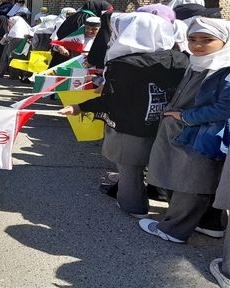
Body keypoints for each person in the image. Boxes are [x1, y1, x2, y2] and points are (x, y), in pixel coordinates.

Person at [60, 12, 188, 218]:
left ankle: (133, 206)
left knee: (130, 169)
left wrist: (80, 107)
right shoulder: (181, 59)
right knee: (167, 168)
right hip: (168, 124)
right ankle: (178, 212)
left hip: (129, 126)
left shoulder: (122, 64)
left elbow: (111, 99)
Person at [139, 17, 230, 244]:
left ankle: (173, 230)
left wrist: (185, 116)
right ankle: (209, 224)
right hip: (188, 132)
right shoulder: (199, 61)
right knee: (201, 180)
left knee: (190, 182)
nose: (197, 45)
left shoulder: (224, 69)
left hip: (201, 135)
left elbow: (224, 108)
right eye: (192, 39)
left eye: (207, 39)